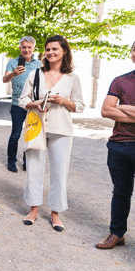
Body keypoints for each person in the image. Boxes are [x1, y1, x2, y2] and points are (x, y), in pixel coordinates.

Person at [19, 35, 84, 231]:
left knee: (59, 173)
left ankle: (55, 213)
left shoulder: (73, 78)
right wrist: (35, 103)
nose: (51, 53)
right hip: (36, 126)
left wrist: (63, 101)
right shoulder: (35, 75)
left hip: (61, 129)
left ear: (64, 51)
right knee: (34, 169)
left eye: (55, 49)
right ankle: (34, 209)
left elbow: (79, 106)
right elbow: (23, 100)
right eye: (48, 49)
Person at [96, 42, 135, 249]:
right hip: (119, 145)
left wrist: (123, 107)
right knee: (120, 192)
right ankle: (117, 233)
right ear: (131, 54)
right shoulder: (121, 80)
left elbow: (115, 108)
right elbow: (106, 111)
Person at [3, 36, 41, 172]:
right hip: (17, 103)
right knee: (16, 134)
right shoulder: (13, 62)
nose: (26, 50)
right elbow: (4, 79)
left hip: (33, 104)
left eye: (29, 47)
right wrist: (13, 73)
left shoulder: (39, 64)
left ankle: (27, 162)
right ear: (20, 48)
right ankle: (11, 161)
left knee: (30, 134)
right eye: (24, 47)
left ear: (33, 48)